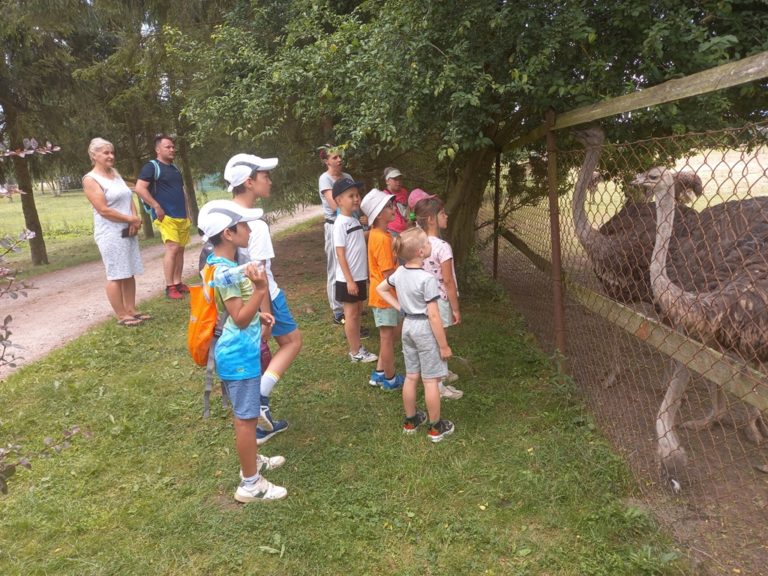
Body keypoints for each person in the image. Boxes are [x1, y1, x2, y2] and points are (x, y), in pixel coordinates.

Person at [198, 199, 287, 502]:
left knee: (245, 416)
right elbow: (238, 316)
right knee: (246, 420)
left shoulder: (220, 265)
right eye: (244, 225)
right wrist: (260, 292)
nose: (249, 230)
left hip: (236, 348)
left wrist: (259, 314)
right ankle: (251, 484)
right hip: (238, 355)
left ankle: (252, 462)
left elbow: (233, 312)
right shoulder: (224, 271)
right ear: (228, 233)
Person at [224, 153, 302, 445]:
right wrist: (266, 317)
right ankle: (260, 402)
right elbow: (260, 273)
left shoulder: (226, 216)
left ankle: (257, 409)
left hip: (240, 302)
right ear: (249, 182)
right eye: (264, 176)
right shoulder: (254, 224)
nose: (269, 180)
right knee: (292, 341)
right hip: (264, 297)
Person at [376, 227, 454, 442]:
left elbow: (381, 289)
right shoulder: (427, 279)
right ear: (421, 252)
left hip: (408, 325)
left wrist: (400, 306)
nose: (430, 245)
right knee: (430, 381)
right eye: (427, 244)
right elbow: (434, 317)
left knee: (411, 376)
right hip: (424, 328)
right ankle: (435, 427)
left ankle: (411, 421)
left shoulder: (399, 272)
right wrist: (444, 345)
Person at [82, 138, 149, 327]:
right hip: (110, 233)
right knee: (116, 274)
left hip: (128, 230)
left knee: (129, 271)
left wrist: (135, 218)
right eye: (105, 153)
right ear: (94, 155)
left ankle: (132, 310)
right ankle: (121, 315)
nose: (111, 156)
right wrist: (130, 219)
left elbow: (129, 198)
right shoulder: (91, 179)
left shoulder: (115, 175)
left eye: (112, 152)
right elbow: (103, 210)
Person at [409, 189, 464, 400]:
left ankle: (441, 373)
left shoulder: (416, 244)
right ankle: (439, 387)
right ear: (431, 219)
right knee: (439, 341)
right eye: (442, 213)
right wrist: (455, 308)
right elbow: (448, 281)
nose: (446, 216)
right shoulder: (443, 247)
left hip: (421, 300)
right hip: (440, 300)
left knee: (433, 339)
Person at [135, 134, 191, 300]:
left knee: (180, 249)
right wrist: (156, 206)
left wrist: (187, 213)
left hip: (181, 216)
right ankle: (169, 286)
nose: (172, 149)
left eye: (173, 147)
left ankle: (178, 282)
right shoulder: (151, 167)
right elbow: (140, 188)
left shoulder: (175, 169)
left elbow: (182, 192)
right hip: (165, 216)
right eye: (168, 147)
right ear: (158, 149)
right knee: (172, 248)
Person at [360, 188, 404, 390]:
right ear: (378, 214)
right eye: (388, 206)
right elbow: (389, 275)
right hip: (384, 298)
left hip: (381, 297)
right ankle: (390, 379)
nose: (393, 208)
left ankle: (378, 373)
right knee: (387, 340)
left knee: (388, 337)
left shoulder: (380, 235)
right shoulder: (382, 239)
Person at [332, 177, 378, 363]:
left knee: (358, 311)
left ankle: (358, 346)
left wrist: (373, 226)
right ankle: (355, 352)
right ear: (338, 200)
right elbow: (340, 254)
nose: (356, 198)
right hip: (347, 279)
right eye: (351, 196)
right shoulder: (340, 223)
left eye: (357, 195)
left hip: (358, 275)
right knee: (350, 315)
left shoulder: (353, 220)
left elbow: (361, 238)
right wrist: (349, 280)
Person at [318, 145, 350, 324]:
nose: (339, 160)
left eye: (340, 157)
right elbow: (334, 205)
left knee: (349, 263)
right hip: (334, 225)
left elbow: (355, 199)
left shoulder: (347, 177)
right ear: (326, 161)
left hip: (350, 225)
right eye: (335, 157)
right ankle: (337, 310)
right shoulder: (325, 179)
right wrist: (352, 213)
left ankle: (350, 304)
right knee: (335, 267)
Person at [383, 167, 409, 236]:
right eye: (395, 179)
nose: (398, 182)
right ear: (387, 181)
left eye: (400, 179)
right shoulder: (383, 196)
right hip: (391, 230)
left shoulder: (404, 192)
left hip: (406, 229)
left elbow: (407, 208)